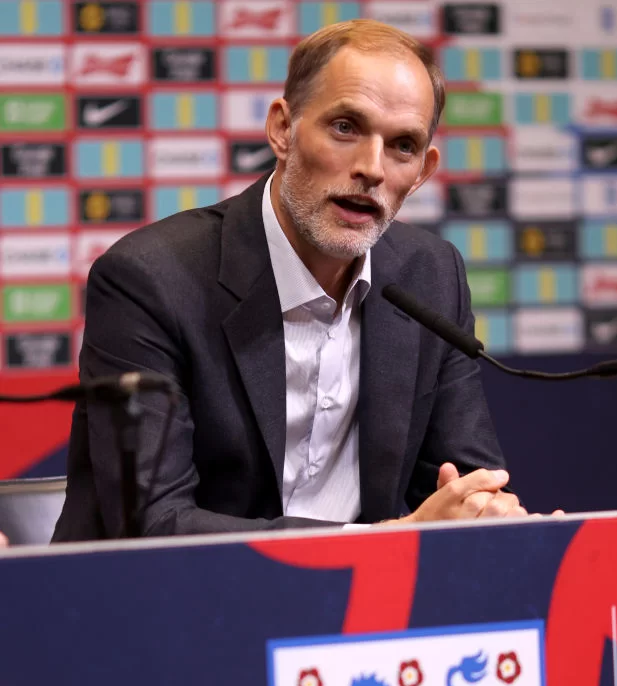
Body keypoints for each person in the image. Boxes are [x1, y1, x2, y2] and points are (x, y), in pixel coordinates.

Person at [53, 19, 527, 542]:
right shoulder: (151, 280)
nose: (371, 168)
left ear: (423, 171)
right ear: (283, 129)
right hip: (168, 603)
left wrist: (491, 516)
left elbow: (464, 484)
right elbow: (155, 522)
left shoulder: (430, 276)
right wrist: (380, 538)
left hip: (363, 607)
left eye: (402, 146)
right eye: (346, 127)